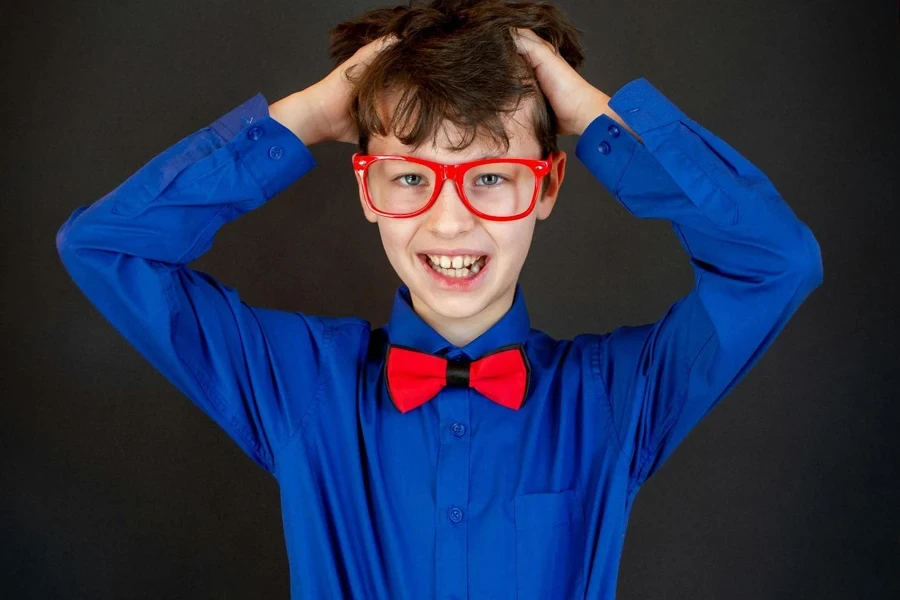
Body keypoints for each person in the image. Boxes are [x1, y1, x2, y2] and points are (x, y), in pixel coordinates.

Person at [55, 0, 823, 598]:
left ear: (547, 185)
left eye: (490, 176)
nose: (449, 219)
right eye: (410, 176)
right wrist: (312, 115)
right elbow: (105, 246)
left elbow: (776, 263)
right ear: (367, 188)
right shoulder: (298, 385)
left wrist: (594, 119)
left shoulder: (619, 397)